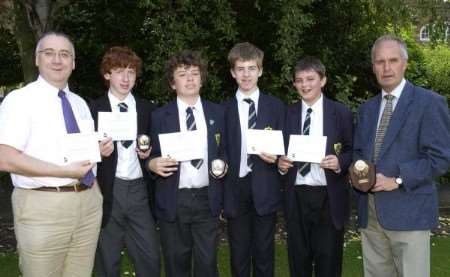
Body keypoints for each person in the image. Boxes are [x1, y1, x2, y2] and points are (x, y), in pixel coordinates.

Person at [0, 32, 110, 277]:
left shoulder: (80, 103)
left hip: (88, 203)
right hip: (43, 206)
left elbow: (77, 151)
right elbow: (5, 157)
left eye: (65, 54)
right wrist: (64, 172)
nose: (57, 60)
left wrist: (98, 151)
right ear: (37, 59)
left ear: (74, 63)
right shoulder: (19, 100)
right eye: (49, 53)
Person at [354, 34, 450, 277]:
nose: (386, 68)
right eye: (380, 62)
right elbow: (359, 154)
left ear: (405, 63)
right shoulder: (367, 109)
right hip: (371, 214)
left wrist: (397, 180)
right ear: (373, 66)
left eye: (393, 60)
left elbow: (440, 158)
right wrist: (355, 174)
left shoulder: (429, 103)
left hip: (410, 211)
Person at [147, 50, 226, 277]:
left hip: (206, 198)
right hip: (174, 199)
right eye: (182, 74)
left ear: (202, 79)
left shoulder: (219, 113)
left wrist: (224, 166)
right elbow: (150, 155)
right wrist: (152, 165)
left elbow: (226, 151)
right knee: (175, 264)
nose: (190, 79)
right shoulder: (160, 116)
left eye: (194, 73)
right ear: (173, 83)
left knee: (207, 264)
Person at [277, 57, 353, 277]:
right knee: (298, 260)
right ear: (294, 84)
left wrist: (340, 162)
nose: (305, 85)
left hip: (328, 197)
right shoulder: (286, 113)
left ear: (323, 80)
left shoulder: (341, 113)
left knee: (328, 261)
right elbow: (278, 153)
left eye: (310, 79)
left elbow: (351, 149)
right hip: (296, 196)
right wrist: (280, 165)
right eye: (299, 80)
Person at [90, 46, 160, 277]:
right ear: (107, 74)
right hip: (108, 189)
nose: (126, 77)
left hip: (139, 189)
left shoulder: (148, 109)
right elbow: (81, 152)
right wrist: (97, 151)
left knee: (149, 256)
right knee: (107, 260)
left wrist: (148, 155)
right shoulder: (92, 110)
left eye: (131, 71)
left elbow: (157, 151)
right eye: (119, 71)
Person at [223, 42, 285, 277]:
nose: (246, 74)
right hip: (235, 187)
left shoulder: (276, 106)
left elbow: (285, 147)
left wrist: (278, 157)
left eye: (251, 68)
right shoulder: (223, 109)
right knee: (238, 255)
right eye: (240, 69)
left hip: (265, 186)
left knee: (264, 254)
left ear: (260, 70)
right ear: (232, 73)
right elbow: (220, 150)